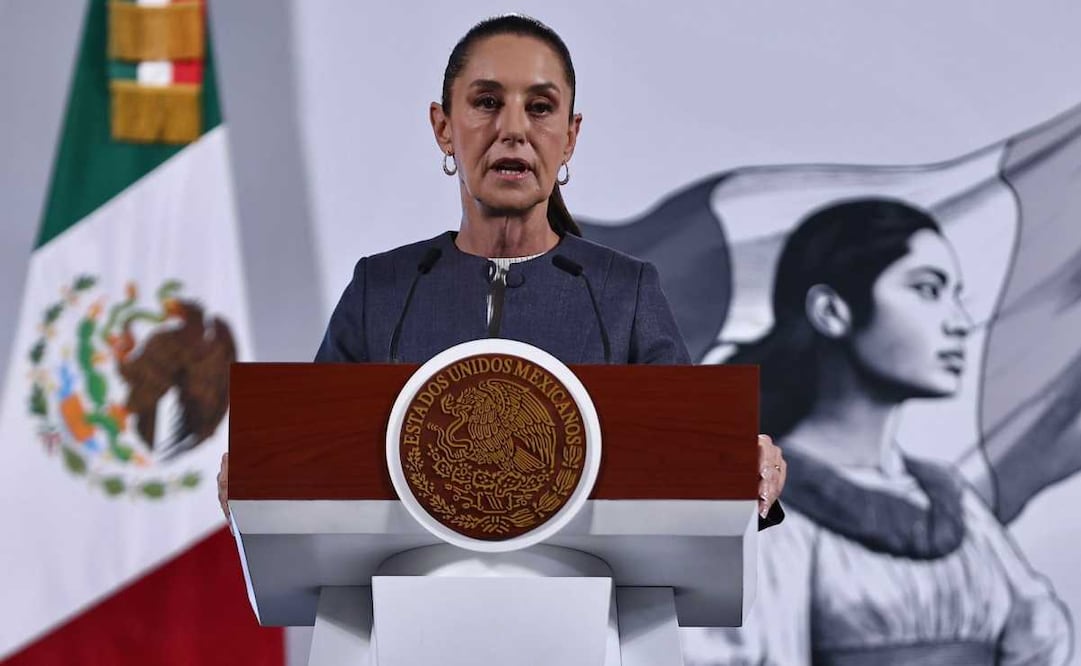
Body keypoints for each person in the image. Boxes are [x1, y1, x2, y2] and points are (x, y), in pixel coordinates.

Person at [218, 15, 785, 525]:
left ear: (570, 135)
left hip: (585, 620)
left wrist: (747, 471)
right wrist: (260, 475)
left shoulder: (623, 292)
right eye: (487, 102)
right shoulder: (382, 290)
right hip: (410, 618)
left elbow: (692, 460)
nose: (513, 129)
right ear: (443, 127)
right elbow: (309, 456)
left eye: (540, 108)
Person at [682, 199, 1071, 665]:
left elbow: (1039, 643)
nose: (959, 323)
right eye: (927, 290)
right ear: (832, 310)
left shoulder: (953, 502)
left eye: (956, 295)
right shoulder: (759, 499)